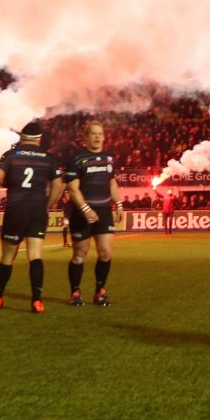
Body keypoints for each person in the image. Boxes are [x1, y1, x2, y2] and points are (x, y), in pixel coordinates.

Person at [0, 122, 64, 313]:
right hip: (37, 210)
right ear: (39, 139)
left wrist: (10, 182)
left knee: (8, 256)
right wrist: (47, 205)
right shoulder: (48, 157)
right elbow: (58, 186)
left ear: (22, 137)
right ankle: (37, 301)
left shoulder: (11, 154)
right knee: (35, 256)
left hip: (16, 209)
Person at [64, 120, 123, 307]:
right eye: (93, 133)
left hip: (104, 211)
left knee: (105, 252)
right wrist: (86, 209)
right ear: (85, 137)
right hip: (82, 213)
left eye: (100, 133)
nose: (97, 136)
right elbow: (72, 189)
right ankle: (75, 292)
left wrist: (119, 204)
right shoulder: (77, 159)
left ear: (104, 137)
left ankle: (100, 291)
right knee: (79, 255)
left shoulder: (109, 158)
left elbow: (112, 183)